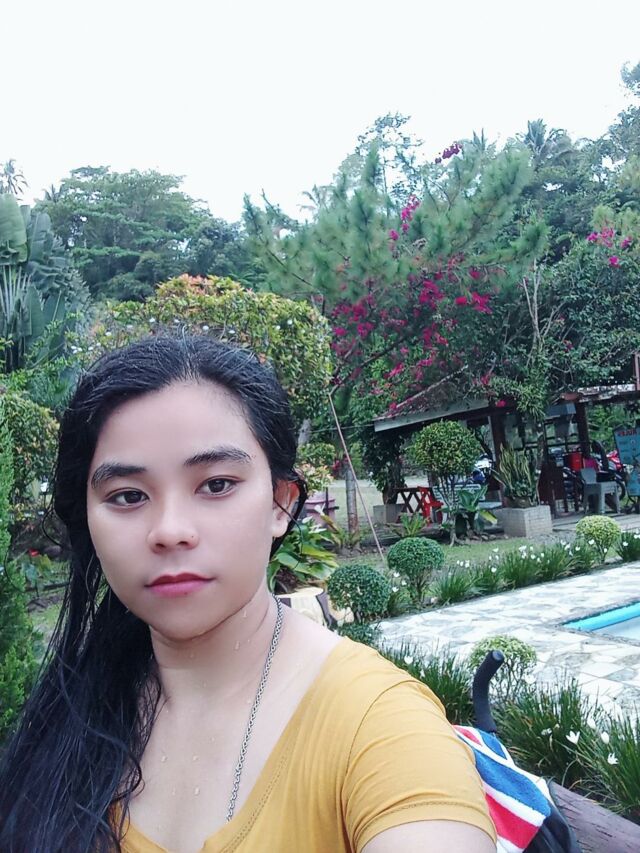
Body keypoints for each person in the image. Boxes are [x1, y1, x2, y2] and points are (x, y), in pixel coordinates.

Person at [0, 335, 496, 853]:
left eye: (216, 485)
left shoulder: (379, 724)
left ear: (281, 504)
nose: (170, 531)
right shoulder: (73, 710)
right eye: (128, 496)